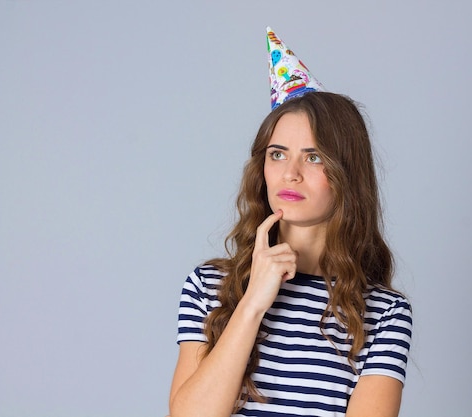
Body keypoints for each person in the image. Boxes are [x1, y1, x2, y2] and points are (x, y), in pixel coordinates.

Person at [168, 29, 412, 417]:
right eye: (278, 154)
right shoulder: (209, 287)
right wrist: (252, 305)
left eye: (313, 157)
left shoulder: (383, 313)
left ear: (346, 173)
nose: (290, 174)